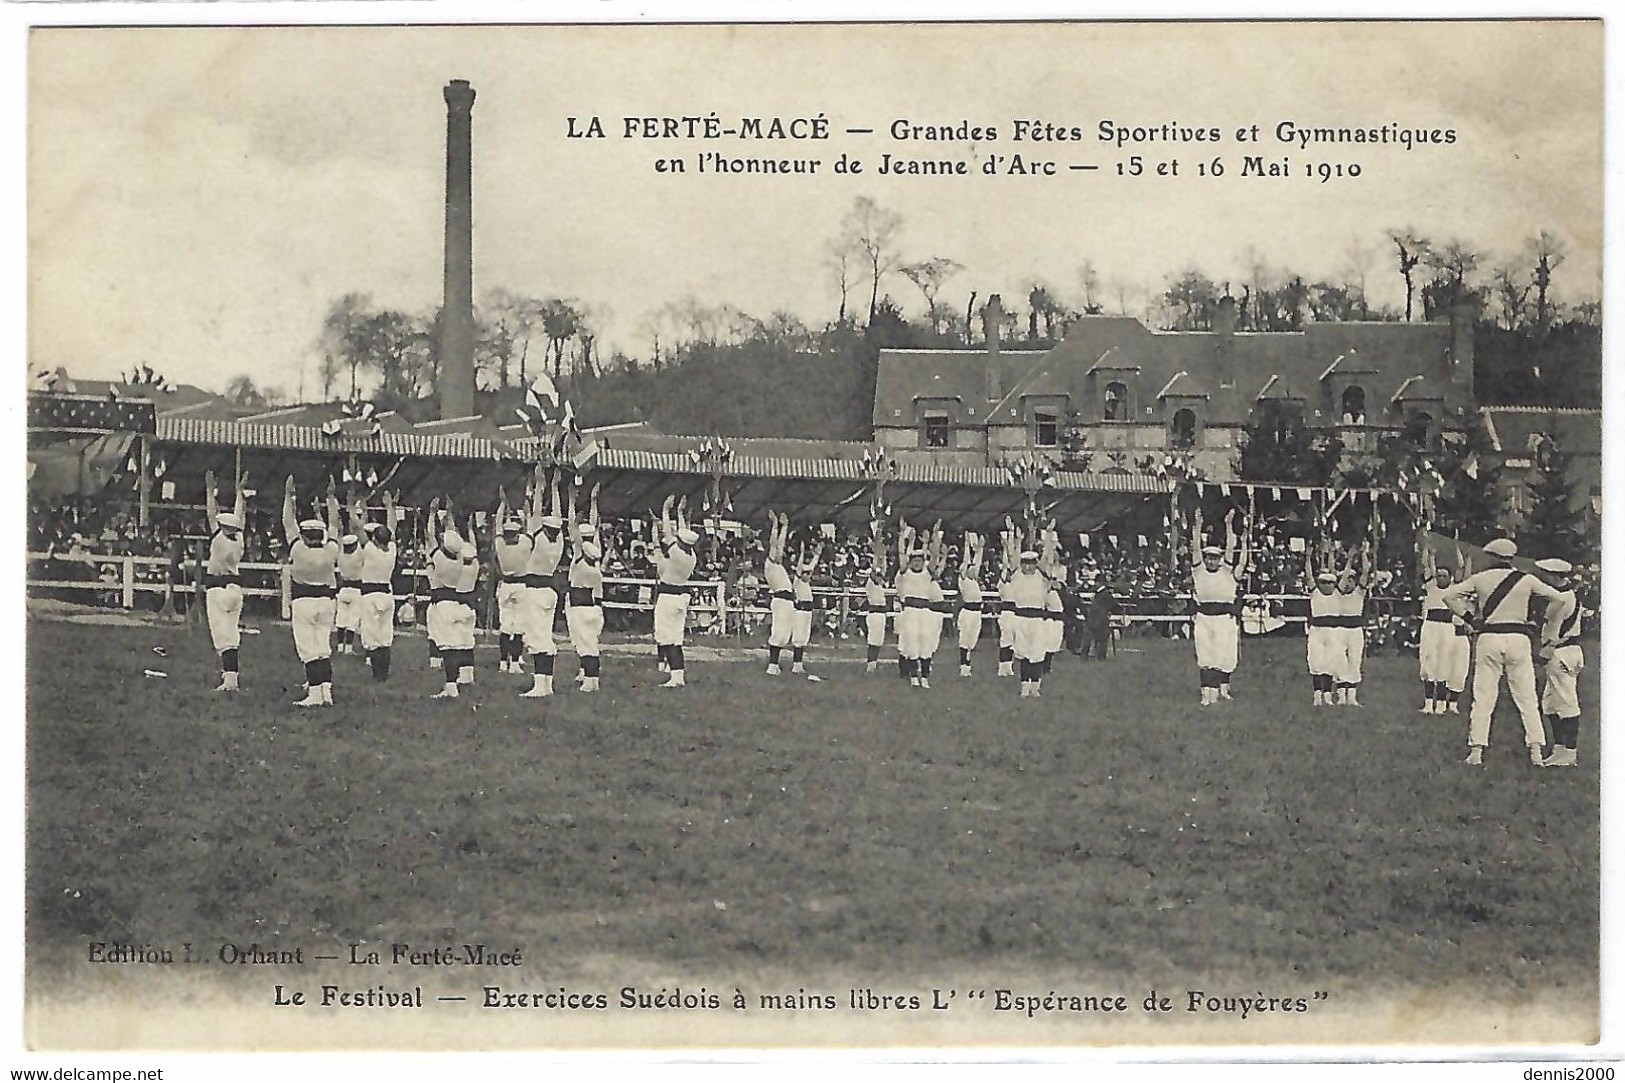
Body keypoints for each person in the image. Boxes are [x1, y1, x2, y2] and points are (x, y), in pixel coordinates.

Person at [1441, 537, 1568, 767]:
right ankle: (1536, 751)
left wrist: (1469, 618)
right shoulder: (1526, 580)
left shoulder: (1480, 578)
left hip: (1489, 637)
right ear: (1510, 558)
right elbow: (1558, 599)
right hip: (1519, 638)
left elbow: (1448, 596)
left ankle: (1476, 751)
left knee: (1483, 696)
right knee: (1527, 697)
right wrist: (1541, 621)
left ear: (1492, 557)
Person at [281, 476, 339, 707]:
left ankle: (315, 694)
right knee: (323, 646)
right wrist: (331, 498)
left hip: (304, 601)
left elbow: (288, 521)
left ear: (304, 535)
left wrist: (288, 496)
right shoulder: (331, 550)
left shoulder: (298, 548)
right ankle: (326, 691)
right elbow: (335, 524)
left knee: (308, 648)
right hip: (326, 601)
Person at [1189, 507, 1248, 706]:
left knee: (1224, 654)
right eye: (1209, 557)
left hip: (1224, 619)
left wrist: (1229, 525)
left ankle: (1222, 689)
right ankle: (1207, 693)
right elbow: (1195, 547)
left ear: (1220, 559)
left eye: (1215, 558)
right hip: (1204, 618)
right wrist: (1197, 526)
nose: (1212, 561)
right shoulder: (1198, 571)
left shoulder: (1226, 571)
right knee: (1206, 654)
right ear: (1205, 559)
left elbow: (1231, 547)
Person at [521, 469, 568, 698]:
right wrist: (555, 488)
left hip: (535, 590)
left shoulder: (538, 538)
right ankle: (546, 684)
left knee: (536, 636)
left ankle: (540, 686)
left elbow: (537, 511)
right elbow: (555, 515)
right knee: (545, 634)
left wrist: (541, 485)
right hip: (550, 589)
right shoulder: (558, 541)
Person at [1535, 557, 1585, 768]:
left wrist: (1545, 653)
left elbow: (1553, 631)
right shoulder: (1569, 595)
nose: (1543, 579)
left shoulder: (1561, 599)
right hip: (1567, 650)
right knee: (1550, 704)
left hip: (1560, 652)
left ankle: (1569, 752)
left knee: (1566, 702)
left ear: (1554, 577)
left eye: (1546, 575)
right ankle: (1559, 748)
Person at [202, 469, 246, 692]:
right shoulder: (239, 539)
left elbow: (211, 513)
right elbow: (240, 514)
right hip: (235, 588)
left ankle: (230, 681)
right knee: (232, 632)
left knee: (222, 635)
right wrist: (240, 493)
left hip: (217, 588)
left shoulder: (218, 539)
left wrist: (210, 490)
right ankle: (231, 676)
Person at [653, 494, 700, 688]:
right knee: (677, 639)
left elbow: (668, 535)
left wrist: (666, 510)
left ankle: (674, 676)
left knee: (666, 637)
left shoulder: (677, 553)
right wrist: (679, 513)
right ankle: (678, 676)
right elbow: (682, 533)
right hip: (681, 597)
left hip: (668, 597)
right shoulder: (692, 556)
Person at [1418, 547, 1471, 714]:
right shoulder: (1431, 587)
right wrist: (1429, 552)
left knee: (1444, 665)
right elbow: (1426, 565)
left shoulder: (1454, 589)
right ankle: (1428, 704)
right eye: (1439, 575)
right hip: (1430, 628)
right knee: (1428, 663)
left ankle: (1441, 704)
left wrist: (1459, 550)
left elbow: (1461, 569)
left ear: (1450, 578)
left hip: (1447, 629)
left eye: (1444, 576)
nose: (1441, 578)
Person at [565, 484, 605, 693]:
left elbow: (572, 526)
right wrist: (593, 502)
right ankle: (585, 672)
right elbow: (595, 525)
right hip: (594, 602)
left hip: (579, 602)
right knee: (588, 640)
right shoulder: (595, 555)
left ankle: (590, 677)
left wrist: (572, 502)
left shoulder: (581, 555)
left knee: (583, 640)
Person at [428, 526, 473, 699]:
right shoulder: (460, 559)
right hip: (455, 602)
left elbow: (430, 535)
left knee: (447, 648)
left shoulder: (439, 558)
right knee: (453, 646)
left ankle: (451, 686)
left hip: (442, 604)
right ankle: (452, 684)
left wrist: (432, 514)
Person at [357, 492, 398, 682]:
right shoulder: (392, 551)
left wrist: (359, 508)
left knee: (372, 635)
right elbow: (393, 528)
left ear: (374, 539)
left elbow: (357, 528)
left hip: (371, 597)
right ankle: (384, 674)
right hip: (387, 595)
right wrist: (390, 507)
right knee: (385, 634)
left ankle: (377, 675)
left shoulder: (370, 550)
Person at [493, 493, 534, 675]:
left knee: (505, 626)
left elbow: (497, 526)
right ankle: (515, 662)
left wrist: (502, 504)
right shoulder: (523, 545)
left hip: (506, 586)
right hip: (521, 586)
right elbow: (530, 529)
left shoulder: (501, 545)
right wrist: (526, 513)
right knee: (518, 627)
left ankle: (503, 662)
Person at [1331, 545, 1373, 707]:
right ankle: (1341, 696)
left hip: (1355, 631)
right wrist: (1348, 561)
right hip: (1340, 630)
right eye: (1346, 579)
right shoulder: (1338, 593)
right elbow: (1337, 576)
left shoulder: (1359, 593)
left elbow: (1366, 572)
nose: (1348, 582)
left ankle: (1352, 697)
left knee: (1355, 660)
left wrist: (1363, 554)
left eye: (1351, 579)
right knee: (1340, 661)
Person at [893, 527, 935, 689]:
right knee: (911, 643)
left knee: (925, 641)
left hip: (924, 612)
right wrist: (902, 537)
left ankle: (924, 676)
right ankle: (913, 676)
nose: (917, 562)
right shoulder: (905, 572)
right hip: (910, 612)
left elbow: (935, 556)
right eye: (914, 560)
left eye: (920, 560)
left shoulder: (927, 573)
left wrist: (932, 539)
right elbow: (901, 555)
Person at [1007, 548, 1051, 698]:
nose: (1027, 567)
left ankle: (1035, 687)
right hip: (1021, 619)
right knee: (1024, 654)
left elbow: (1046, 559)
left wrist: (1049, 536)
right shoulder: (1017, 576)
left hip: (1038, 620)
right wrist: (1015, 539)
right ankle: (1025, 687)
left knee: (1037, 653)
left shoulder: (1042, 577)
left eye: (1031, 563)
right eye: (1025, 563)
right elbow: (1012, 561)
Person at [762, 511, 795, 675]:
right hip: (781, 600)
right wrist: (775, 525)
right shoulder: (770, 564)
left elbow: (780, 546)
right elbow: (775, 544)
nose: (780, 553)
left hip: (788, 601)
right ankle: (772, 665)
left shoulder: (778, 565)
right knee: (778, 633)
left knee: (785, 635)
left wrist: (786, 526)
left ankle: (775, 665)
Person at [790, 538, 823, 677]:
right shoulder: (797, 581)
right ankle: (796, 665)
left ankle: (799, 664)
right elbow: (799, 568)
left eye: (809, 574)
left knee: (804, 637)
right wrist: (802, 553)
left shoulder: (807, 583)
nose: (808, 575)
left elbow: (813, 565)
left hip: (808, 611)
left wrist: (817, 554)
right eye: (806, 573)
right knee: (798, 637)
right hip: (800, 610)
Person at [956, 531, 984, 677]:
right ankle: (963, 666)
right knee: (965, 640)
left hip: (977, 613)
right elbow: (967, 561)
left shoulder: (974, 581)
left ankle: (967, 663)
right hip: (967, 612)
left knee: (972, 640)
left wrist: (980, 549)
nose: (974, 569)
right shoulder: (963, 579)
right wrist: (966, 545)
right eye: (970, 569)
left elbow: (977, 562)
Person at [862, 560, 889, 675]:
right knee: (873, 641)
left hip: (881, 614)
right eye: (878, 576)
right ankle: (870, 665)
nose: (879, 578)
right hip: (875, 614)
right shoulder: (870, 584)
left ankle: (873, 664)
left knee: (878, 641)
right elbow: (873, 574)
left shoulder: (879, 586)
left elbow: (883, 570)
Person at [1083, 577, 1117, 660]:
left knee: (1093, 638)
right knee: (1101, 639)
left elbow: (1114, 605)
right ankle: (1100, 657)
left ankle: (1086, 656)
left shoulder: (1104, 594)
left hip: (1098, 619)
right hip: (1100, 619)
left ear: (1100, 583)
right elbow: (1114, 606)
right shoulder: (1104, 593)